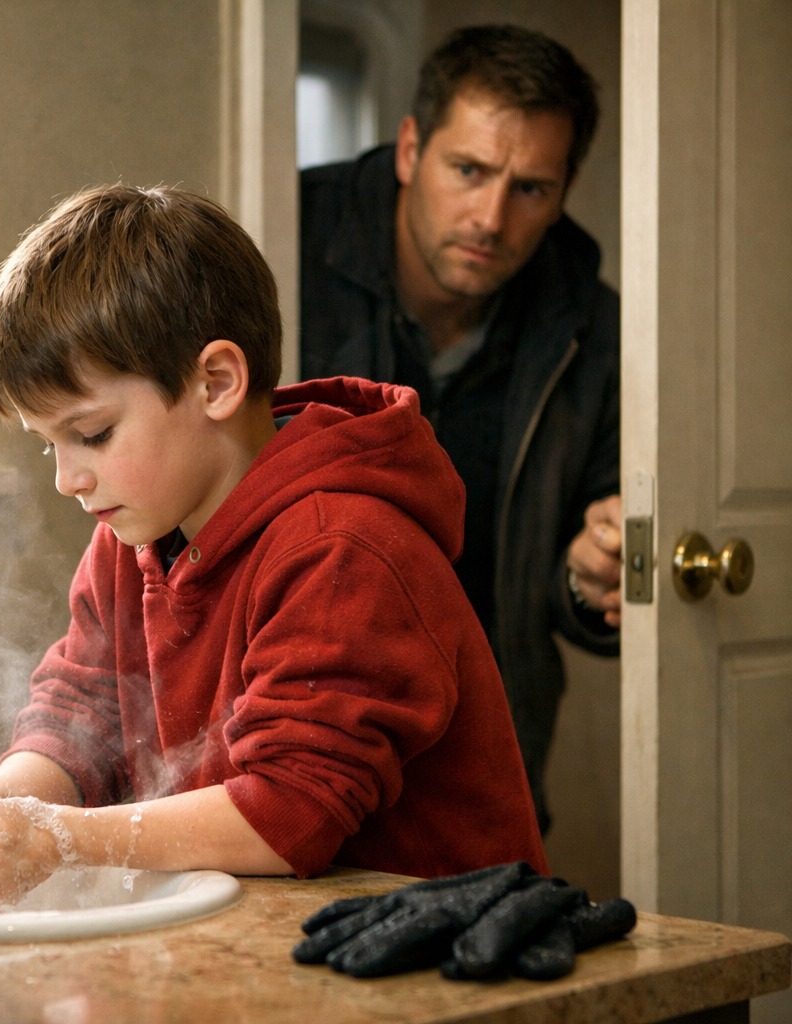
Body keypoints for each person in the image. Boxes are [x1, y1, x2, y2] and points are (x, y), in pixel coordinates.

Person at [0, 183, 547, 911]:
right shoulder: (136, 530)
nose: (67, 478)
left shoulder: (342, 550)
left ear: (216, 382)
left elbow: (287, 814)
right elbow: (83, 710)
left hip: (448, 959)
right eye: (48, 445)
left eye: (91, 435)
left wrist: (61, 838)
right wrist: (1, 806)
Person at [299, 24, 622, 833]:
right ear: (411, 148)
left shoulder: (590, 324)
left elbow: (575, 574)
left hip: (488, 746)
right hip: (299, 730)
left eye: (531, 189)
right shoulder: (285, 241)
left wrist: (592, 576)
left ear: (566, 189)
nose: (490, 217)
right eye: (469, 170)